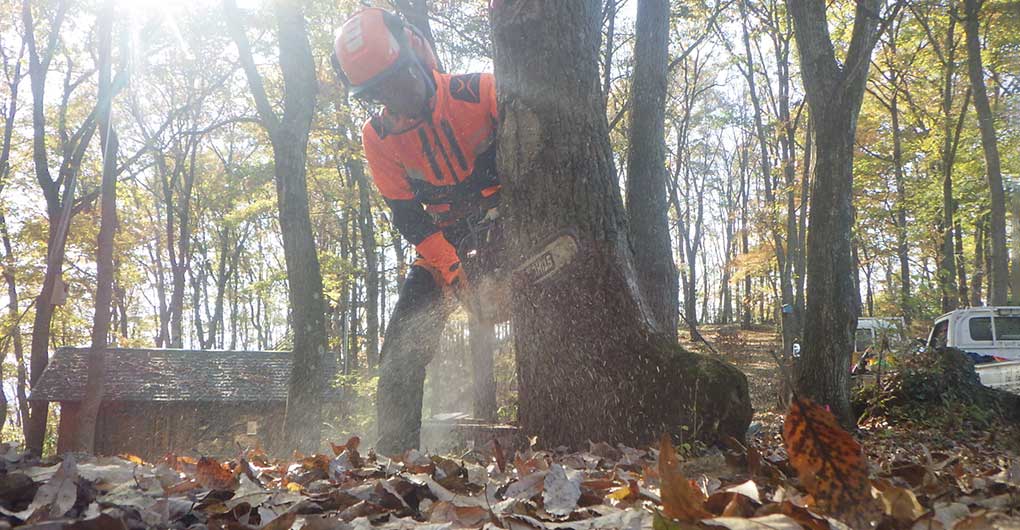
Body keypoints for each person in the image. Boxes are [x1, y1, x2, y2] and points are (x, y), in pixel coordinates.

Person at [333, 7, 501, 455]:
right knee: (400, 353)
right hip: (441, 243)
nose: (395, 95)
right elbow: (408, 216)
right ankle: (395, 457)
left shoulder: (478, 90)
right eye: (379, 90)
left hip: (505, 225)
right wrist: (452, 269)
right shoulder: (379, 136)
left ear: (417, 53)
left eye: (398, 78)